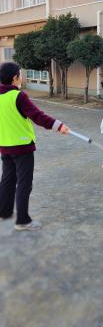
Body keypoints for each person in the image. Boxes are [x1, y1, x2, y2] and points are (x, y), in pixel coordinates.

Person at [0, 62, 69, 231]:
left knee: (7, 180)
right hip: (22, 146)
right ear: (15, 78)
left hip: (4, 146)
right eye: (20, 75)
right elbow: (37, 116)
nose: (21, 78)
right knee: (24, 183)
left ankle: (4, 211)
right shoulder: (18, 96)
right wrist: (58, 126)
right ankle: (23, 221)